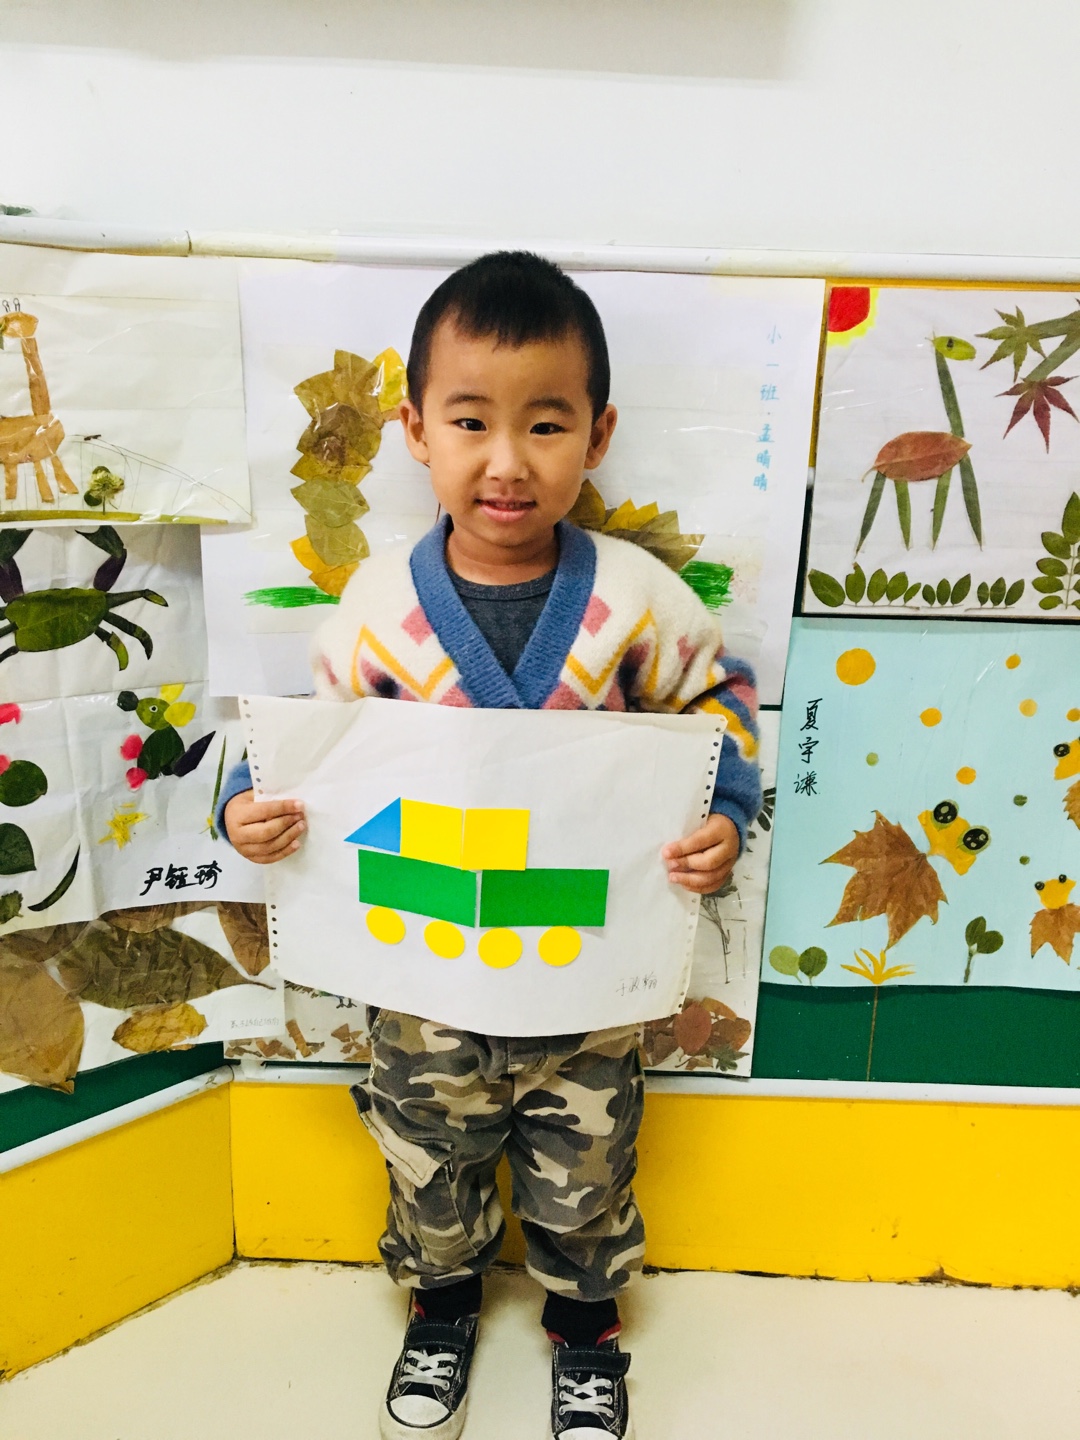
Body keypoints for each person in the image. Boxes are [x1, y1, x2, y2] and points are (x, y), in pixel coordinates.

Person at [219, 252, 761, 1440]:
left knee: (589, 1167)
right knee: (427, 1160)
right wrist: (246, 811)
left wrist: (726, 812)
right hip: (422, 987)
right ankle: (442, 1310)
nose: (506, 461)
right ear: (415, 430)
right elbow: (296, 747)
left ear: (597, 433)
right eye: (470, 421)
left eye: (545, 424)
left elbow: (717, 705)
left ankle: (586, 1332)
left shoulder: (639, 601)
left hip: (588, 986)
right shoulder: (375, 608)